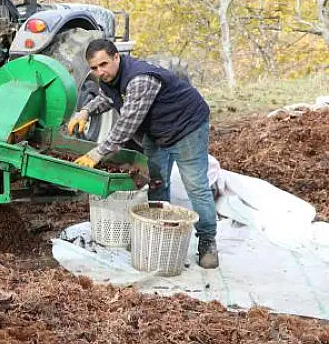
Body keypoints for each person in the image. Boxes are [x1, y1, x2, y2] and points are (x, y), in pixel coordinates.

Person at [67, 39, 219, 269]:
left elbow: (127, 124)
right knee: (156, 182)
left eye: (104, 64)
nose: (100, 72)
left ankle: (207, 241)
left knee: (196, 186)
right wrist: (85, 111)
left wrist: (97, 154)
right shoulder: (110, 78)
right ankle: (160, 234)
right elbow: (108, 98)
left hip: (186, 127)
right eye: (94, 68)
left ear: (117, 57)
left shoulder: (140, 79)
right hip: (156, 131)